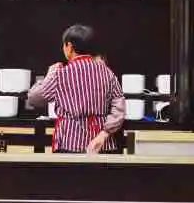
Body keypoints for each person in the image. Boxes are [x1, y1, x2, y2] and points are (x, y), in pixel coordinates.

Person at [27, 24, 126, 154]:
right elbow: (120, 108)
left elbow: (34, 99)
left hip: (69, 144)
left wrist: (49, 75)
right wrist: (104, 134)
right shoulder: (107, 72)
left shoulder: (60, 73)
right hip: (102, 145)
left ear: (69, 47)